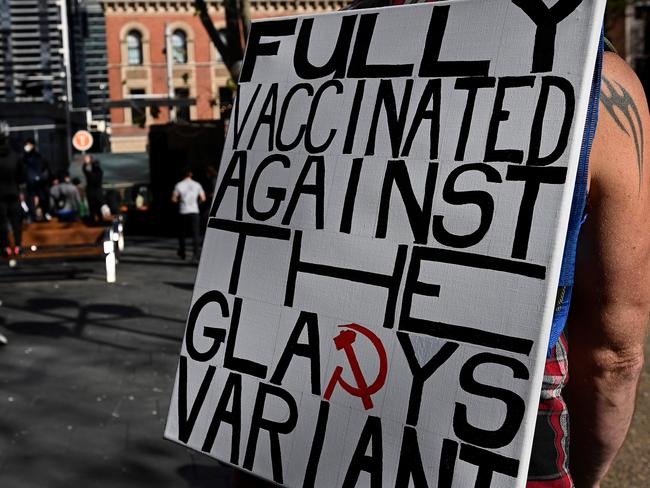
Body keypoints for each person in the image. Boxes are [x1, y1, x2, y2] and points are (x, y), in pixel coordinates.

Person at [172, 168, 206, 263]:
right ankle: (196, 253)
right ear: (191, 174)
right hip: (194, 211)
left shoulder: (179, 185)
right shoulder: (197, 184)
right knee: (195, 233)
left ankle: (182, 252)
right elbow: (203, 198)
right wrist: (196, 204)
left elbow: (174, 199)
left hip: (183, 211)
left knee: (182, 233)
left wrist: (181, 201)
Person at [0, 129, 24, 259]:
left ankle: (5, 247)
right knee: (16, 222)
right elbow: (22, 176)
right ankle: (18, 246)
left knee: (2, 222)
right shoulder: (15, 157)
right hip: (14, 192)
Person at [22, 137, 51, 222]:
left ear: (33, 145)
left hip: (41, 182)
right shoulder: (23, 158)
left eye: (29, 144)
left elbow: (46, 168)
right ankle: (31, 216)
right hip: (29, 183)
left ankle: (46, 213)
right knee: (30, 200)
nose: (27, 146)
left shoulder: (39, 157)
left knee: (43, 198)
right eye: (26, 144)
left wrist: (43, 177)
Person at [81, 154, 105, 223]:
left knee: (92, 207)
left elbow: (84, 169)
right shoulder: (100, 173)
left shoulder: (90, 174)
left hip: (90, 193)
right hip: (98, 192)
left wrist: (86, 163)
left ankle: (92, 219)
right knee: (99, 206)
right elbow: (98, 168)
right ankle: (100, 219)